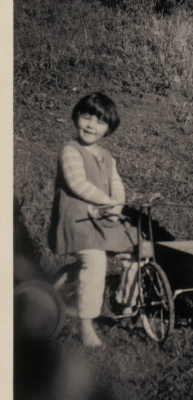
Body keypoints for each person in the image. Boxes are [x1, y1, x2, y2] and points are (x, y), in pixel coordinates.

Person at [48, 92, 139, 347]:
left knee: (136, 251)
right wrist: (105, 201)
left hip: (101, 220)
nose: (90, 125)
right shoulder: (70, 150)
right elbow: (77, 183)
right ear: (77, 117)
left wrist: (117, 205)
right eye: (86, 117)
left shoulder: (108, 157)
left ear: (108, 128)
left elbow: (117, 186)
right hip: (77, 221)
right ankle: (84, 324)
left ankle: (124, 302)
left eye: (99, 122)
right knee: (96, 259)